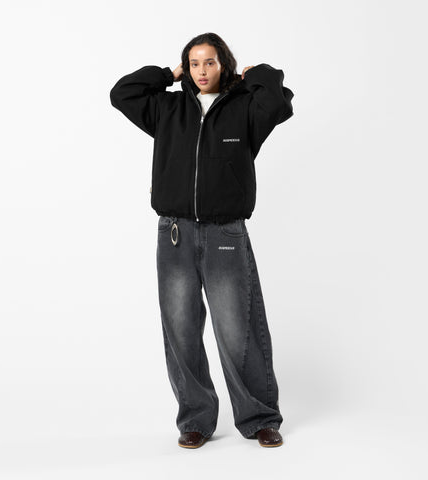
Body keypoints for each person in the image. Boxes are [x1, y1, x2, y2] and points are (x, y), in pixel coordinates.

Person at [110, 32, 294, 448]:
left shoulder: (245, 108)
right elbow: (121, 93)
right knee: (181, 331)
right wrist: (167, 74)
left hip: (225, 231)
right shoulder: (168, 108)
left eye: (209, 61)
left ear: (223, 63)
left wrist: (256, 75)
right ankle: (195, 419)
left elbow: (278, 103)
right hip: (174, 233)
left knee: (238, 330)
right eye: (194, 63)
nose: (202, 70)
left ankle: (260, 418)